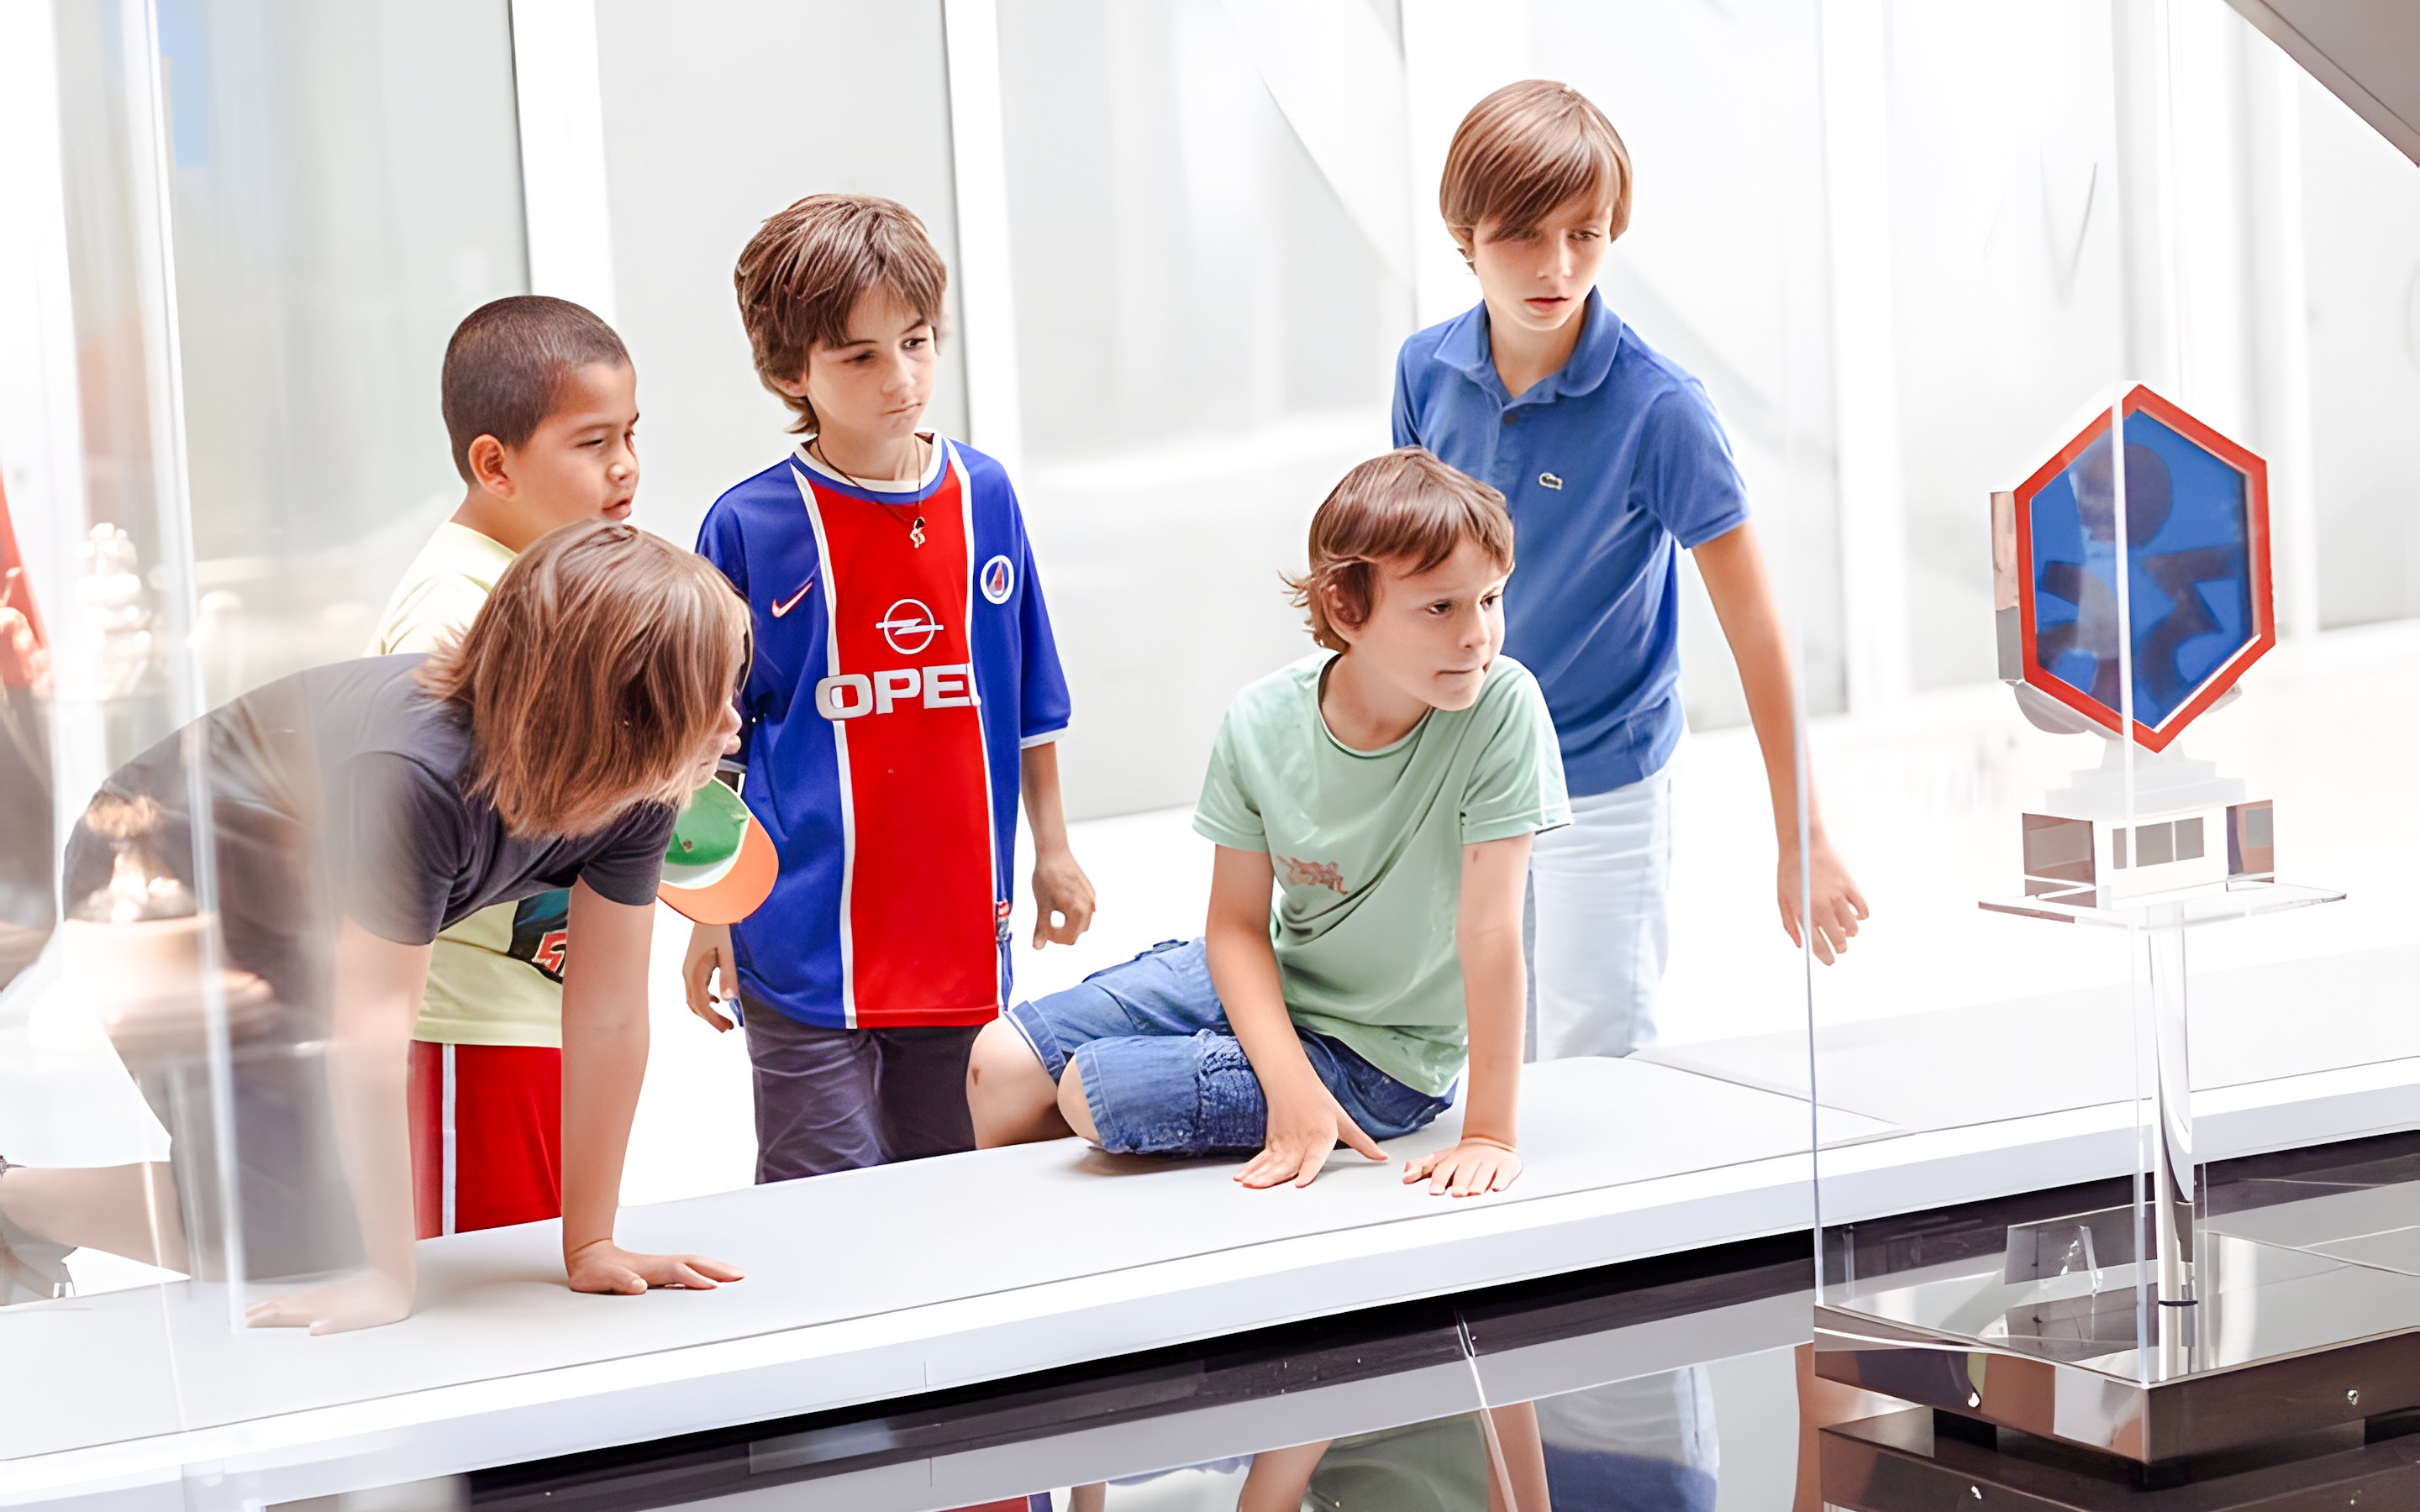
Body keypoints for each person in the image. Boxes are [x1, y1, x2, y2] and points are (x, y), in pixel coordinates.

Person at [0, 522, 747, 1332]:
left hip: (303, 903)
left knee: (303, 1216)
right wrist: (388, 1279)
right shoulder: (421, 777)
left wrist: (592, 1242)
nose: (732, 724)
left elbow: (606, 1016)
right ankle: (15, 1204)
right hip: (156, 873)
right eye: (707, 699)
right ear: (621, 708)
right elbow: (372, 1041)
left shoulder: (640, 785)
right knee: (296, 1229)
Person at [1393, 80, 1870, 1061]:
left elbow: (1758, 634)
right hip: (1458, 773)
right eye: (1524, 234)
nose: (1557, 266)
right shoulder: (1422, 373)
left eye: (1586, 234)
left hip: (1603, 782)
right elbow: (1402, 590)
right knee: (1469, 1053)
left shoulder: (1663, 411)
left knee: (1597, 1062)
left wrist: (1803, 837)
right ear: (1465, 232)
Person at [965, 449, 1567, 1199]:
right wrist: (1285, 1082)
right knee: (1000, 1065)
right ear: (1348, 606)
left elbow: (1490, 934)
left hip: (1383, 1058)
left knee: (1095, 1093)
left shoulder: (1503, 707)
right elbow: (1238, 926)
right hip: (1273, 978)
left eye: (1490, 600)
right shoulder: (1260, 719)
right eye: (1440, 608)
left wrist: (1489, 1134)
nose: (1477, 634)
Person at [683, 193, 1095, 1183]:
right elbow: (709, 753)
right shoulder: (747, 528)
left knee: (953, 1195)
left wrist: (1055, 850)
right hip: (798, 944)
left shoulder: (984, 496)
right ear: (794, 372)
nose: (899, 377)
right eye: (858, 356)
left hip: (957, 938)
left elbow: (1027, 698)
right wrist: (708, 917)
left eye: (915, 342)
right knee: (820, 1208)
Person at [366, 294, 639, 1240]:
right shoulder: (454, 603)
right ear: (495, 464)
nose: (626, 469)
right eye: (593, 443)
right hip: (466, 1022)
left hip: (527, 1011)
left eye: (631, 435)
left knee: (531, 1280)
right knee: (483, 1295)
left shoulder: (548, 584)